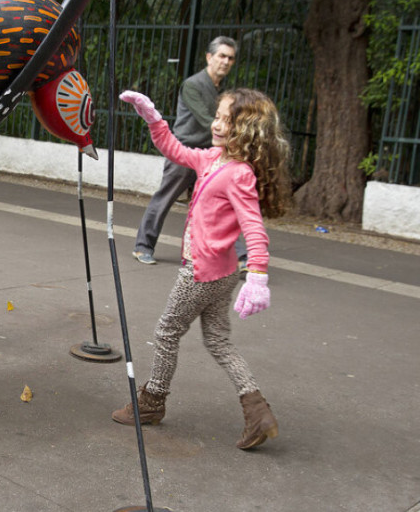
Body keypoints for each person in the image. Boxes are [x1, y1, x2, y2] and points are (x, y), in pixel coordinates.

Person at [114, 88, 290, 451]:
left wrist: (258, 276)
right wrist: (154, 118)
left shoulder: (239, 174)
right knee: (218, 341)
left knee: (166, 332)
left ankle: (152, 401)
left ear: (247, 130)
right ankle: (258, 411)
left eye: (228, 121)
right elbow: (175, 150)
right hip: (222, 273)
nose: (217, 125)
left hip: (201, 272)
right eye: (218, 116)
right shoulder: (212, 158)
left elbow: (254, 227)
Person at [133, 36, 247, 268]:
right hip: (184, 152)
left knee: (224, 204)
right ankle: (143, 246)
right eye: (221, 56)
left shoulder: (224, 91)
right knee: (165, 198)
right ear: (209, 57)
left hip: (211, 154)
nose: (225, 62)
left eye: (230, 58)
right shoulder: (193, 85)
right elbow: (206, 120)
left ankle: (242, 257)